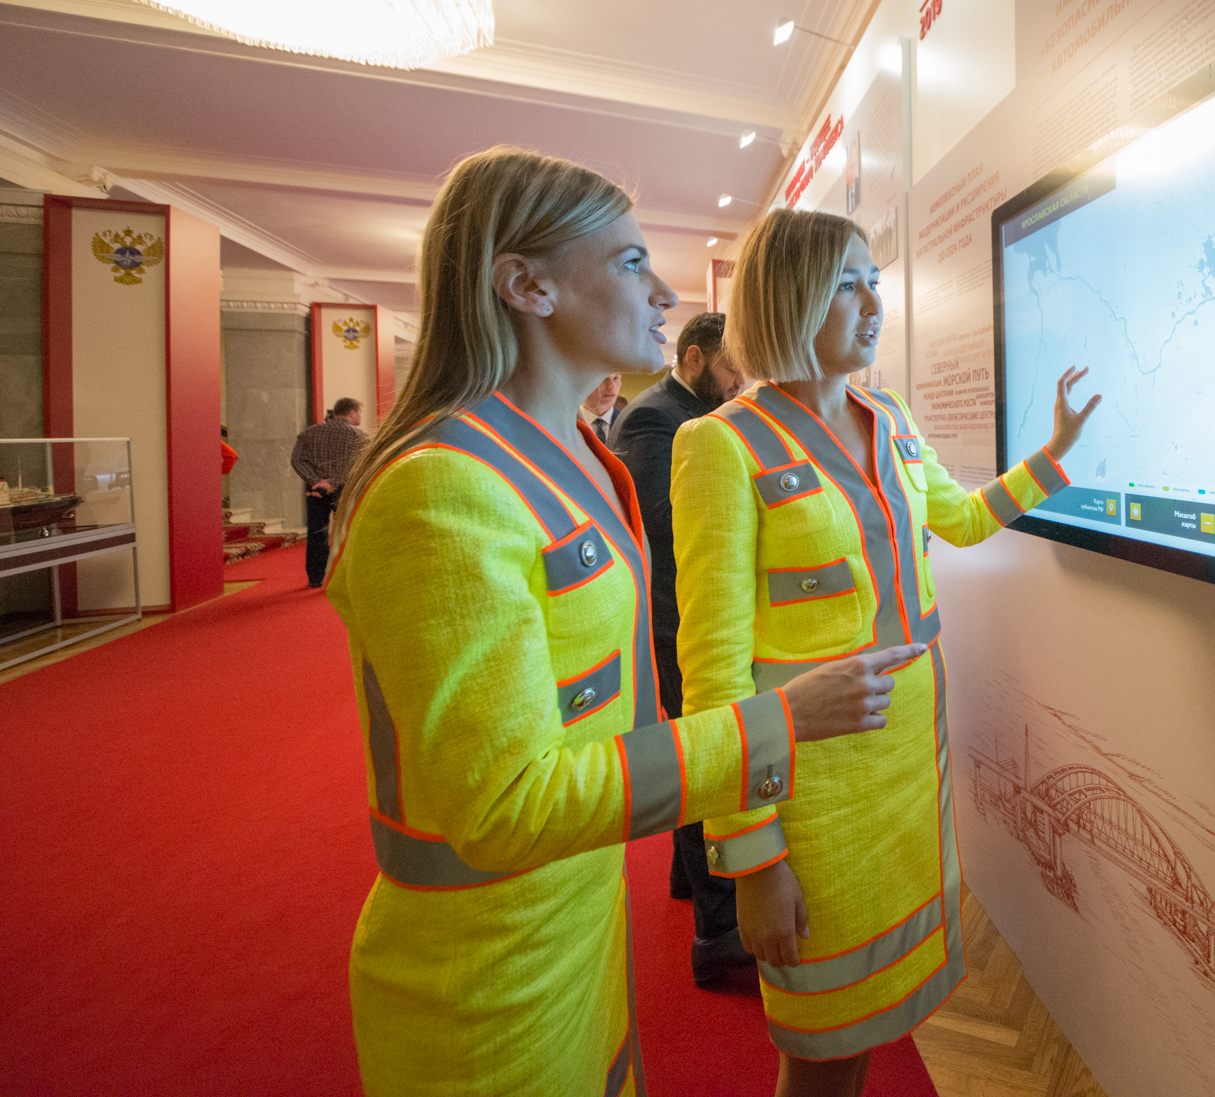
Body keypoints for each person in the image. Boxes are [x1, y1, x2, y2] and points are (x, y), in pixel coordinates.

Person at [323, 147, 918, 1096]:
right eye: (633, 262)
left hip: (580, 907)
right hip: (487, 959)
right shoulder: (439, 489)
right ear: (527, 285)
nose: (667, 292)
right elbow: (504, 807)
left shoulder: (560, 455)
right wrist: (780, 724)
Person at [673, 209, 1098, 1096]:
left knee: (865, 1031)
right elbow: (712, 677)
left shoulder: (890, 415)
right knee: (821, 1044)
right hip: (812, 788)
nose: (875, 303)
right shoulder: (719, 444)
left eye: (876, 280)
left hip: (908, 768)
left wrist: (1053, 455)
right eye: (847, 284)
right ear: (789, 296)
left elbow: (963, 520)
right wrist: (753, 859)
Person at [612, 311, 751, 985]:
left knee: (697, 749)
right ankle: (717, 930)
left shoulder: (684, 413)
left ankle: (683, 877)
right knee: (705, 758)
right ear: (694, 358)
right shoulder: (654, 418)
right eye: (729, 369)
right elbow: (662, 520)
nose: (738, 383)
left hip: (687, 608)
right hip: (675, 616)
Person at [290, 396, 365, 587]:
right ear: (351, 413)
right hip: (344, 490)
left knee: (317, 533)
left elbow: (297, 460)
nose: (360, 416)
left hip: (316, 492)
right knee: (346, 531)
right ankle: (345, 575)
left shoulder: (310, 432)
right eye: (359, 412)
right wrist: (333, 482)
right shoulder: (358, 436)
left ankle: (315, 578)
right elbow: (357, 465)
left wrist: (316, 481)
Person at [583, 371, 622, 441]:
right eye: (602, 378)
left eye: (615, 378)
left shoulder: (630, 424)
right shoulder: (565, 423)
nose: (611, 386)